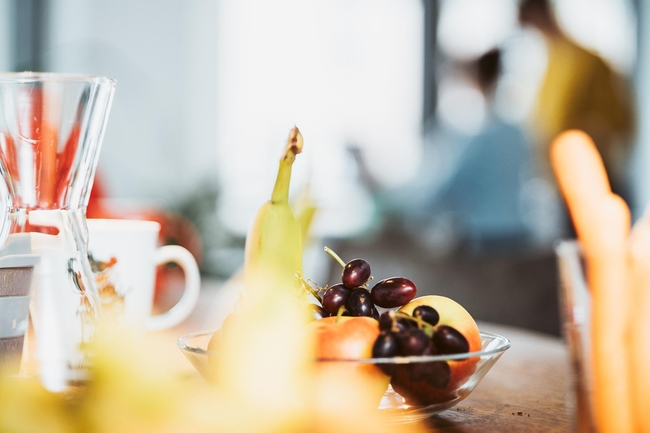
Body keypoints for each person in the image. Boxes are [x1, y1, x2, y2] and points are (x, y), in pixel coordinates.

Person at [518, 0, 635, 202]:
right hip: (561, 178)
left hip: (594, 178)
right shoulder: (551, 64)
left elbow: (622, 122)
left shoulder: (586, 62)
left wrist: (591, 136)